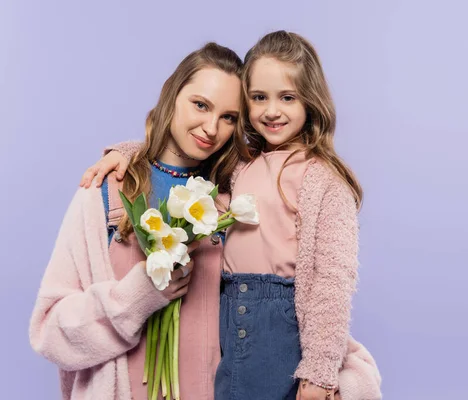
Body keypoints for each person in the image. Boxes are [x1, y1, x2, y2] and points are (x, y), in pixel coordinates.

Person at [88, 31, 381, 400]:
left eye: (287, 97)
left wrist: (319, 373)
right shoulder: (239, 163)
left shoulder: (323, 179)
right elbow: (179, 159)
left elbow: (332, 282)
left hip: (279, 317)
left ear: (311, 101)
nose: (271, 110)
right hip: (225, 311)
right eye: (259, 98)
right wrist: (128, 153)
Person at [30, 42, 244, 400]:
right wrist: (134, 297)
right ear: (172, 95)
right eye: (201, 104)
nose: (211, 127)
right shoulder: (106, 190)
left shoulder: (231, 202)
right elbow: (49, 331)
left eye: (229, 117)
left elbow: (273, 305)